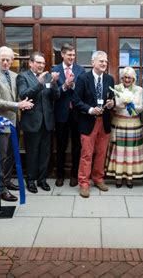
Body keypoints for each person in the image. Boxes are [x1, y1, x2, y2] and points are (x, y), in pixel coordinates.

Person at [0, 46, 34, 202]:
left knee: (12, 153)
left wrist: (23, 103)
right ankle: (1, 189)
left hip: (14, 120)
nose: (5, 62)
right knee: (0, 156)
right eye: (3, 59)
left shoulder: (14, 76)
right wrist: (18, 105)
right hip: (0, 121)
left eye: (8, 59)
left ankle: (6, 181)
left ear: (12, 61)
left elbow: (16, 97)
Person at [73, 51, 115, 198]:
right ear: (93, 63)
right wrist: (90, 109)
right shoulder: (83, 78)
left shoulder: (110, 79)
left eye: (105, 61)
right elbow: (76, 100)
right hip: (88, 121)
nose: (104, 63)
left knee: (101, 153)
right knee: (86, 154)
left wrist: (111, 104)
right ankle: (84, 183)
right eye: (101, 61)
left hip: (104, 122)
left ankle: (98, 178)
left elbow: (112, 98)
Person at [17, 51, 60, 193]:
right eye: (38, 62)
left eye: (43, 63)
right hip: (32, 122)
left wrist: (53, 83)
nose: (41, 65)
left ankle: (42, 180)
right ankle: (30, 180)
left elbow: (56, 96)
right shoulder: (23, 76)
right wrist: (39, 83)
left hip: (47, 122)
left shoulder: (48, 76)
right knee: (32, 153)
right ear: (30, 63)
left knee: (45, 153)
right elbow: (24, 94)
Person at [51, 43, 86, 187]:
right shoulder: (55, 70)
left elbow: (84, 91)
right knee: (61, 145)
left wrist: (74, 86)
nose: (72, 57)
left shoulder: (81, 70)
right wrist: (64, 86)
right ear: (62, 54)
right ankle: (59, 175)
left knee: (77, 146)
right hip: (61, 114)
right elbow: (52, 94)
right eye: (69, 55)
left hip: (77, 114)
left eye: (73, 55)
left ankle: (74, 175)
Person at [105, 66, 143, 188]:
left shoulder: (139, 89)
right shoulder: (117, 88)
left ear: (133, 78)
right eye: (125, 77)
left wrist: (130, 105)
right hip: (119, 123)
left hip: (134, 124)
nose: (127, 80)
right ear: (122, 78)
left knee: (131, 153)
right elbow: (114, 106)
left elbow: (141, 108)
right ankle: (118, 178)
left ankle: (129, 178)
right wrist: (123, 104)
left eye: (129, 77)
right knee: (119, 152)